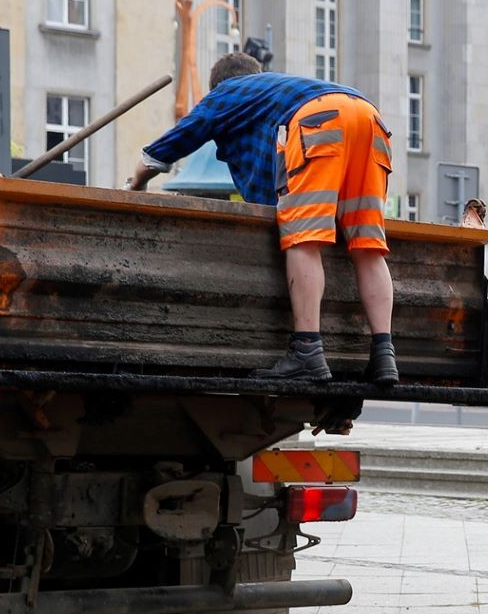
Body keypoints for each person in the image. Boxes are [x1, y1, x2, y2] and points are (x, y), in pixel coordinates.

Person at [127, 53, 398, 386]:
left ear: (220, 85)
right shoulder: (275, 94)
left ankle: (307, 352)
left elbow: (174, 141)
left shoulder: (229, 91)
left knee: (304, 239)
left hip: (319, 123)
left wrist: (136, 181)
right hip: (370, 121)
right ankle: (384, 356)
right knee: (367, 246)